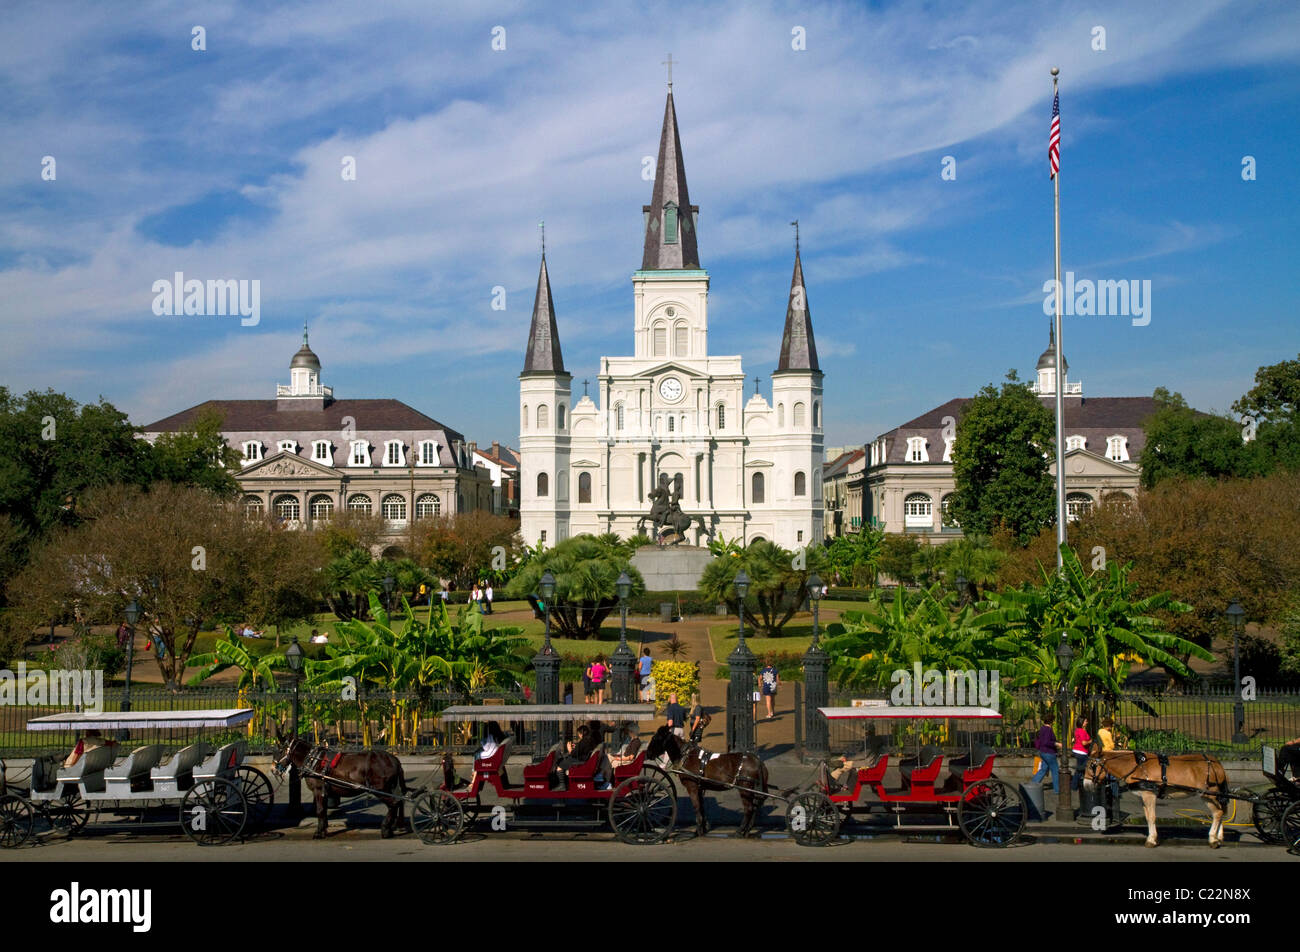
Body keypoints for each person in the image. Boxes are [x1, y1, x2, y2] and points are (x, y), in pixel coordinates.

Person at [1030, 713, 1061, 791]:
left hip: (1043, 752)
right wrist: (1056, 743)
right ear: (1051, 721)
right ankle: (1057, 789)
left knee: (1043, 769)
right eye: (1053, 721)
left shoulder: (1042, 728)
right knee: (1055, 771)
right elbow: (1046, 742)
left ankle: (1033, 784)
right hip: (1049, 753)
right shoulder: (1048, 729)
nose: (1054, 722)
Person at [1070, 716, 1091, 792]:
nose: (1087, 722)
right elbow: (1084, 742)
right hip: (1082, 752)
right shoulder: (1082, 731)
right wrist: (1090, 741)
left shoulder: (1077, 730)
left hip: (1076, 750)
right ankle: (1074, 785)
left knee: (1080, 769)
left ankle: (1076, 784)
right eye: (1085, 721)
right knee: (1081, 769)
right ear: (1082, 723)